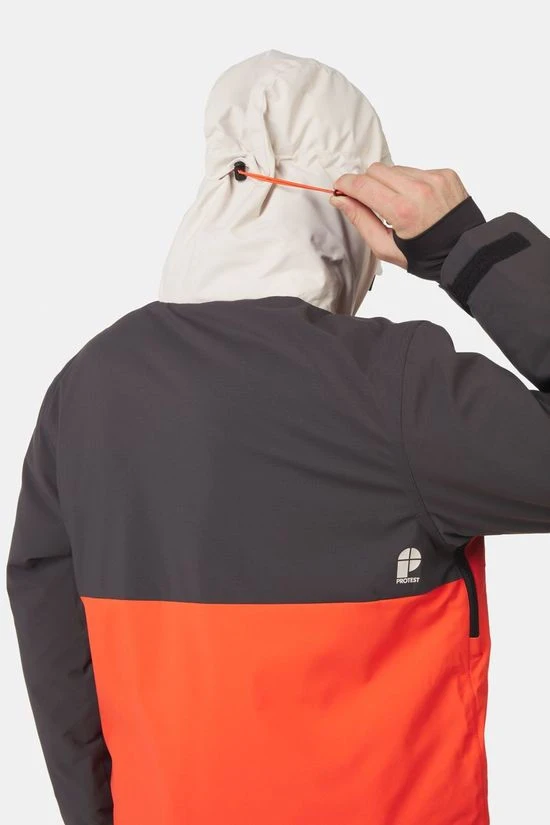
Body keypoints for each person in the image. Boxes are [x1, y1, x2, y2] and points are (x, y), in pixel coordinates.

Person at [6, 49, 549, 825]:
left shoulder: (87, 387)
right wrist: (470, 249)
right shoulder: (397, 388)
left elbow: (54, 639)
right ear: (355, 210)